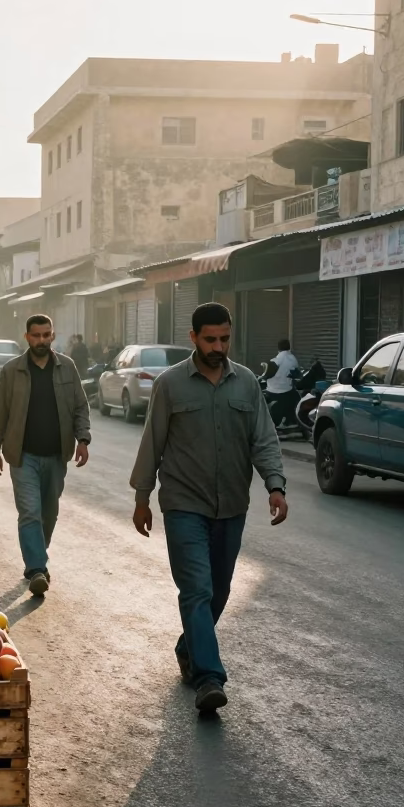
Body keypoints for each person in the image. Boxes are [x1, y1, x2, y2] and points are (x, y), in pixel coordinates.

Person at [130, 302, 288, 713]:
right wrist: (142, 498)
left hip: (232, 504)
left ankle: (189, 645)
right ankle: (209, 678)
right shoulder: (170, 385)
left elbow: (264, 440)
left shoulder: (247, 383)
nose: (219, 346)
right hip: (184, 504)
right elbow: (153, 443)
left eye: (225, 339)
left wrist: (275, 486)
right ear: (194, 338)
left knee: (219, 591)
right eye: (210, 339)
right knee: (197, 589)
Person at [0, 313, 91, 597]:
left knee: (49, 513)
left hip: (57, 456)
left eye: (47, 335)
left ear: (52, 335)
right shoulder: (12, 371)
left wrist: (83, 439)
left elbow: (81, 407)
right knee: (30, 512)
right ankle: (36, 568)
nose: (42, 340)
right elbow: (0, 412)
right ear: (27, 337)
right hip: (23, 457)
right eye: (36, 336)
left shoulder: (67, 368)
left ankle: (37, 555)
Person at [263, 339, 300, 426]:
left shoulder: (275, 361)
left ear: (278, 348)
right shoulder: (293, 359)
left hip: (272, 392)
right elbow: (296, 374)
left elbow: (267, 375)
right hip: (288, 391)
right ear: (289, 347)